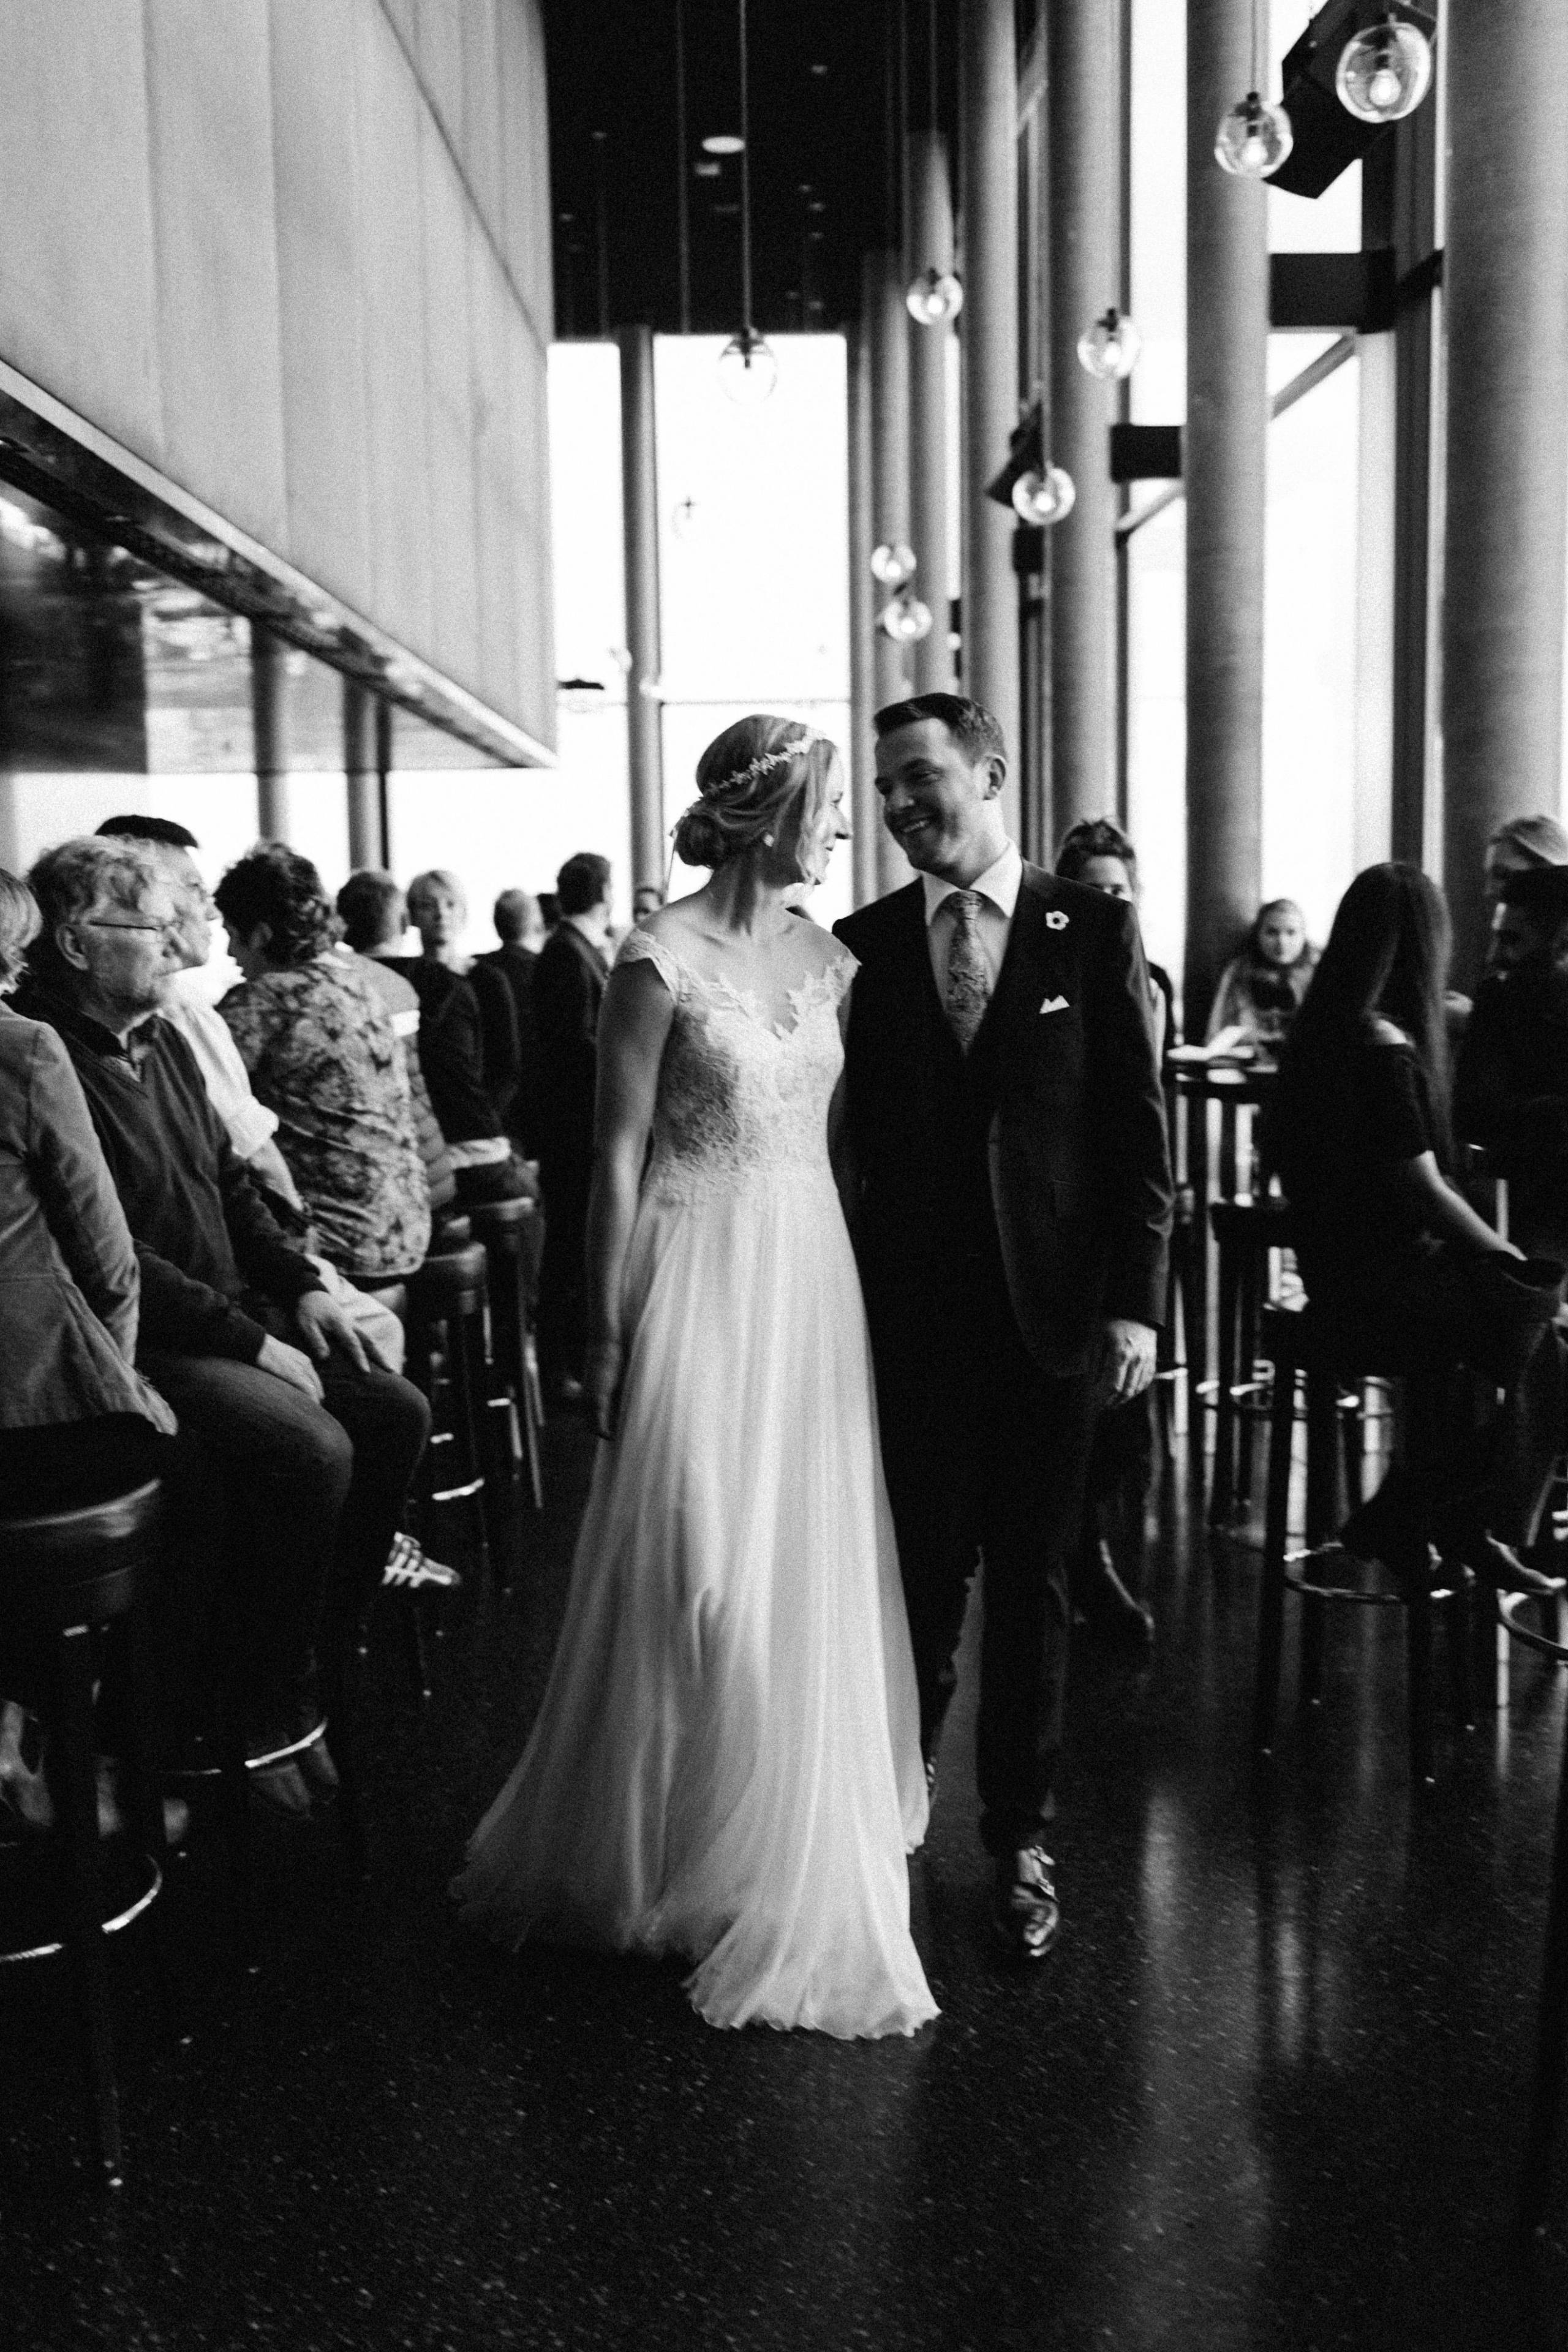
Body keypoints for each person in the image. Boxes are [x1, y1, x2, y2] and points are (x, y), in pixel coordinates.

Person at [454, 717, 935, 2039]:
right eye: (829, 808)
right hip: (690, 1262)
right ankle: (636, 1846)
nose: (847, 830)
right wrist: (601, 1329)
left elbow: (843, 1150)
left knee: (789, 1564)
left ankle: (752, 1854)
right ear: (768, 812)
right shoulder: (653, 958)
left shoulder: (833, 963)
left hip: (808, 1277)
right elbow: (612, 1156)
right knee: (690, 1555)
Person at [834, 695, 1173, 1961]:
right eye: (883, 787)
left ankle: (1021, 1838)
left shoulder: (1089, 927)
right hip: (912, 1323)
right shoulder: (861, 945)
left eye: (918, 776)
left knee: (1034, 1586)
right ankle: (892, 1801)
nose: (897, 804)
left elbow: (1136, 1136)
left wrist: (1136, 1303)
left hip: (1055, 1321)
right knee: (917, 1580)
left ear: (989, 773)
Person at [20, 836, 432, 1815]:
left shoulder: (161, 1038)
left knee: (397, 1412)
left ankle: (307, 1668)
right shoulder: (48, 1054)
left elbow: (232, 1183)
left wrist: (302, 1285)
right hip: (140, 1343)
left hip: (224, 1313)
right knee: (310, 1448)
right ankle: (246, 1708)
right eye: (153, 924)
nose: (176, 942)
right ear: (76, 943)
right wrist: (253, 1341)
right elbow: (112, 1257)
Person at [1270, 862, 1565, 1596]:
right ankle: (1422, 1509)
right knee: (1549, 1348)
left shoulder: (1319, 1038)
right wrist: (1506, 1255)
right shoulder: (1382, 1048)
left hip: (1338, 1277)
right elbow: (1426, 1189)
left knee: (1541, 1351)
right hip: (1392, 1284)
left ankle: (1427, 1512)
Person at [0, 864, 179, 1836]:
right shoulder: (26, 1048)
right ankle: (87, 1768)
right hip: (28, 1403)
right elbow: (110, 1261)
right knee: (174, 1478)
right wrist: (121, 1378)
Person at [1054, 818, 1171, 1651]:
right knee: (1080, 1407)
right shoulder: (1045, 974)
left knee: (1127, 1413)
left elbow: (1145, 1105)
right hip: (1064, 1214)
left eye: (1118, 890)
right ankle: (1080, 1555)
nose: (1108, 903)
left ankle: (1089, 1549)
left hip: (1127, 1206)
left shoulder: (1150, 980)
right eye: (1092, 889)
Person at [214, 845, 431, 1288]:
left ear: (261, 934)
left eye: (232, 934)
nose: (231, 952)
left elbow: (202, 1108)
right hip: (407, 1225)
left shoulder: (260, 1001)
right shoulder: (359, 985)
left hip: (338, 1243)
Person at [95, 815, 304, 1212]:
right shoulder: (175, 1012)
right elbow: (253, 1154)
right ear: (144, 898)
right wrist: (299, 1223)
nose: (211, 911)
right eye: (194, 888)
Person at [392, 870, 530, 1208]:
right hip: (424, 1131)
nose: (441, 913)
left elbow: (507, 1066)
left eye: (450, 904)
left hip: (476, 1133)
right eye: (429, 905)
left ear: (464, 912)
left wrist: (481, 1118)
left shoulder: (488, 980)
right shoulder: (403, 981)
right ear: (412, 915)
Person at [1455, 862, 1568, 1265]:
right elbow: (1475, 1111)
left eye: (1512, 940)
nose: (1496, 956)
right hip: (1538, 1213)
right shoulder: (1500, 1001)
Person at [533, 851, 613, 1403]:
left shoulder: (573, 948)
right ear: (605, 891)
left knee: (573, 1246)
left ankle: (569, 1362)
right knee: (567, 1248)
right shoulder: (567, 953)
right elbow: (572, 1046)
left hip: (573, 1126)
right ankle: (559, 1367)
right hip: (572, 1129)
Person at [336, 869, 458, 1227]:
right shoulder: (437, 983)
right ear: (406, 921)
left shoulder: (339, 988)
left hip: (388, 1185)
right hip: (434, 1168)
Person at [475, 888, 545, 1156]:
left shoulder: (479, 970)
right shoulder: (546, 971)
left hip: (490, 1098)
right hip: (535, 1099)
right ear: (537, 923)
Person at [1206, 899, 1317, 1056]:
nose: (1282, 942)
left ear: (1303, 935)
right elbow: (1217, 1031)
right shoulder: (1239, 971)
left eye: (1291, 933)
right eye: (1272, 932)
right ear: (1258, 933)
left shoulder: (1318, 971)